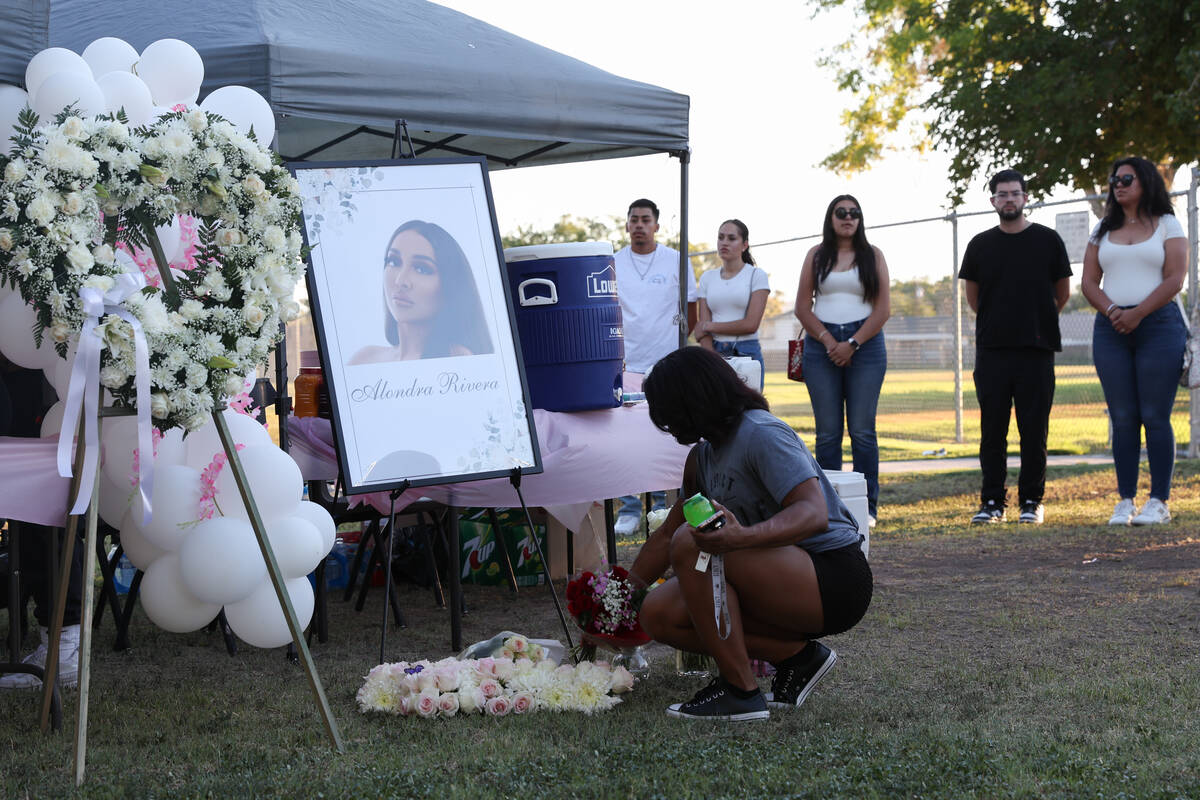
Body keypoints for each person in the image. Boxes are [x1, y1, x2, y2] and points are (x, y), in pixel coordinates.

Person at [630, 347, 872, 721]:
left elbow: (813, 513)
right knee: (658, 613)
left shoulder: (760, 433)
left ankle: (739, 690)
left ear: (693, 400)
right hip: (779, 576)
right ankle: (798, 658)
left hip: (834, 578)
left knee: (692, 542)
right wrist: (615, 599)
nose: (664, 423)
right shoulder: (704, 456)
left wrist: (739, 538)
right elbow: (667, 534)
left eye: (667, 411)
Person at [958, 169, 1071, 525]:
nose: (1009, 199)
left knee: (1033, 430)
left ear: (1025, 198)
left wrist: (1034, 322)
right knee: (993, 431)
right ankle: (992, 503)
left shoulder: (1048, 240)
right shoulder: (980, 244)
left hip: (1036, 350)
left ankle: (1031, 502)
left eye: (1015, 193)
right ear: (993, 201)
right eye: (1002, 194)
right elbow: (974, 298)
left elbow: (1062, 292)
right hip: (992, 350)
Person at [1081, 157, 1187, 525]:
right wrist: (1114, 312)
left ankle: (1159, 502)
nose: (1118, 184)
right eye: (1115, 179)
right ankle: (1125, 500)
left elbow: (1175, 279)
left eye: (1127, 178)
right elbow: (1089, 283)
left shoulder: (1167, 224)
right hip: (1111, 328)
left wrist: (1138, 312)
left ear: (1146, 182)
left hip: (1158, 325)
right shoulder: (1101, 229)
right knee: (1123, 417)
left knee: (1155, 416)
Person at [793, 196, 890, 525]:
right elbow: (802, 308)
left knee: (863, 431)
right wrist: (830, 341)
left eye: (854, 213)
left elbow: (883, 309)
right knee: (828, 434)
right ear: (830, 218)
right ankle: (829, 507)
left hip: (866, 346)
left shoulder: (873, 255)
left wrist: (851, 343)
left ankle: (868, 506)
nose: (848, 218)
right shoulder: (816, 255)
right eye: (841, 213)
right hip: (822, 347)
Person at [612, 199, 697, 536]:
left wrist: (674, 350)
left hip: (665, 362)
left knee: (664, 432)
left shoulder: (676, 260)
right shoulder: (614, 261)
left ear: (657, 225)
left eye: (646, 220)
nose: (639, 225)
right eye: (633, 219)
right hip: (626, 360)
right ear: (627, 224)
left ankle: (659, 506)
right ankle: (630, 508)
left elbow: (691, 307)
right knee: (624, 435)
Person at [0, 361, 82, 691]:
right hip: (25, 386)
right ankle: (61, 643)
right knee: (33, 522)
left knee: (46, 519)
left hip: (43, 389)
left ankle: (64, 647)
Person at [349, 220, 492, 364]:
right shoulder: (364, 359)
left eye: (421, 269)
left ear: (450, 285)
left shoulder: (460, 359)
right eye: (394, 262)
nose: (400, 280)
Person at [694, 219, 770, 390]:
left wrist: (709, 326)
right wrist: (713, 358)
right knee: (716, 412)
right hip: (714, 352)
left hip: (747, 352)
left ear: (744, 245)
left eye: (731, 238)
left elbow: (750, 325)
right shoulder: (707, 278)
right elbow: (701, 329)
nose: (724, 243)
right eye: (721, 238)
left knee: (750, 411)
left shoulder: (757, 276)